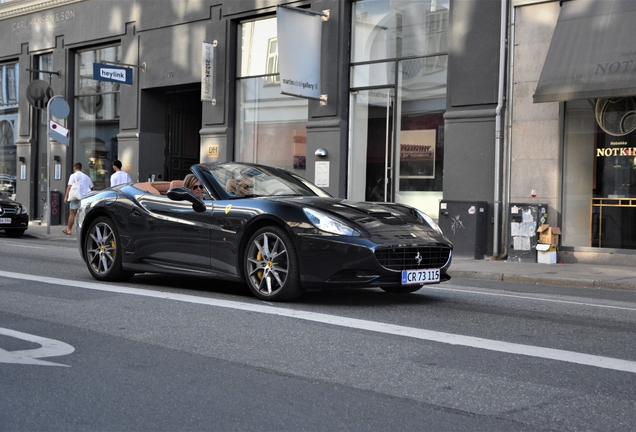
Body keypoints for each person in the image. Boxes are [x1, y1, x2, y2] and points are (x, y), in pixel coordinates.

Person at [63, 162, 93, 235]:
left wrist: (66, 196)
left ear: (74, 168)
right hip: (85, 198)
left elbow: (69, 187)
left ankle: (69, 230)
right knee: (84, 215)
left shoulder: (73, 176)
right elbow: (92, 187)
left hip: (75, 197)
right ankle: (85, 231)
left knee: (72, 214)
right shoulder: (86, 177)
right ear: (81, 168)